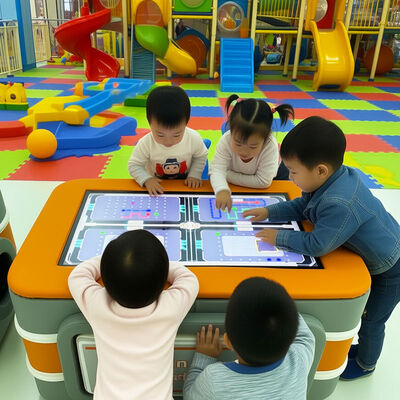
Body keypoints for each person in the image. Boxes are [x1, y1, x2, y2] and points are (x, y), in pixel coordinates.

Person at [242, 116, 400, 380]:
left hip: (391, 267)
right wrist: (269, 211)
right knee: (368, 315)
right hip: (385, 250)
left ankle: (366, 364)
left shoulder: (339, 202)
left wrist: (278, 237)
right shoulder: (329, 180)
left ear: (321, 170)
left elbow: (317, 245)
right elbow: (302, 206)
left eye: (293, 172)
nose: (290, 178)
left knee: (372, 320)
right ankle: (364, 352)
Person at [68, 229, 199, 399]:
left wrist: (110, 261)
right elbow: (188, 279)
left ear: (107, 280)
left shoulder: (98, 305)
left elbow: (77, 276)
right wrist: (159, 265)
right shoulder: (170, 308)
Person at [183, 277, 315, 399]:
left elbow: (189, 396)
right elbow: (305, 336)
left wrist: (204, 358)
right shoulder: (298, 360)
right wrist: (280, 308)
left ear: (228, 341)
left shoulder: (213, 379)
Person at [209, 94, 294, 211]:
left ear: (266, 138)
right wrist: (222, 189)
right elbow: (217, 170)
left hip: (273, 177)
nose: (244, 151)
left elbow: (264, 182)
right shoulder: (226, 140)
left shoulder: (270, 146)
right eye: (238, 143)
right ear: (231, 130)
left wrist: (227, 175)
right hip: (240, 180)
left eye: (253, 146)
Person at [128, 86, 208, 195]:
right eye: (160, 135)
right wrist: (146, 179)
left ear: (186, 122)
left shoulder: (193, 138)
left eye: (176, 135)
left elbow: (201, 156)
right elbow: (134, 165)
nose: (168, 141)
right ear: (149, 122)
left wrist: (194, 175)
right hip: (156, 187)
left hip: (184, 185)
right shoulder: (146, 143)